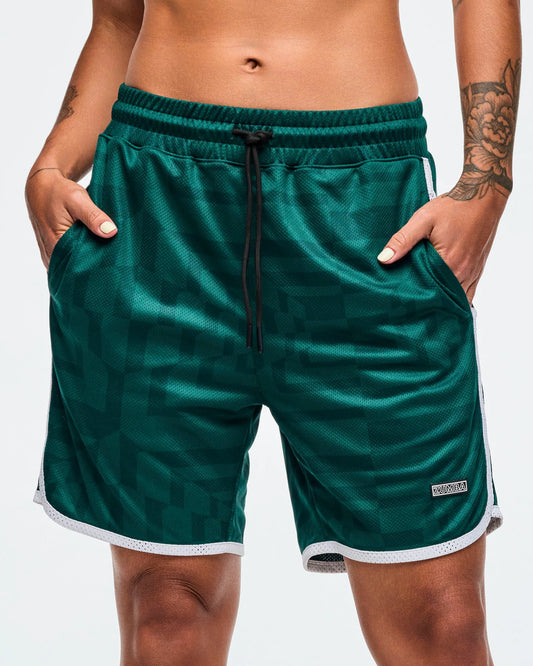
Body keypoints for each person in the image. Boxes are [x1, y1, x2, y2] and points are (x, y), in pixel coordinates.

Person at [25, 0, 521, 663]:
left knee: (441, 625)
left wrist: (487, 182)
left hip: (359, 206)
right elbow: (118, 19)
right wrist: (52, 166)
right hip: (159, 209)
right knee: (165, 614)